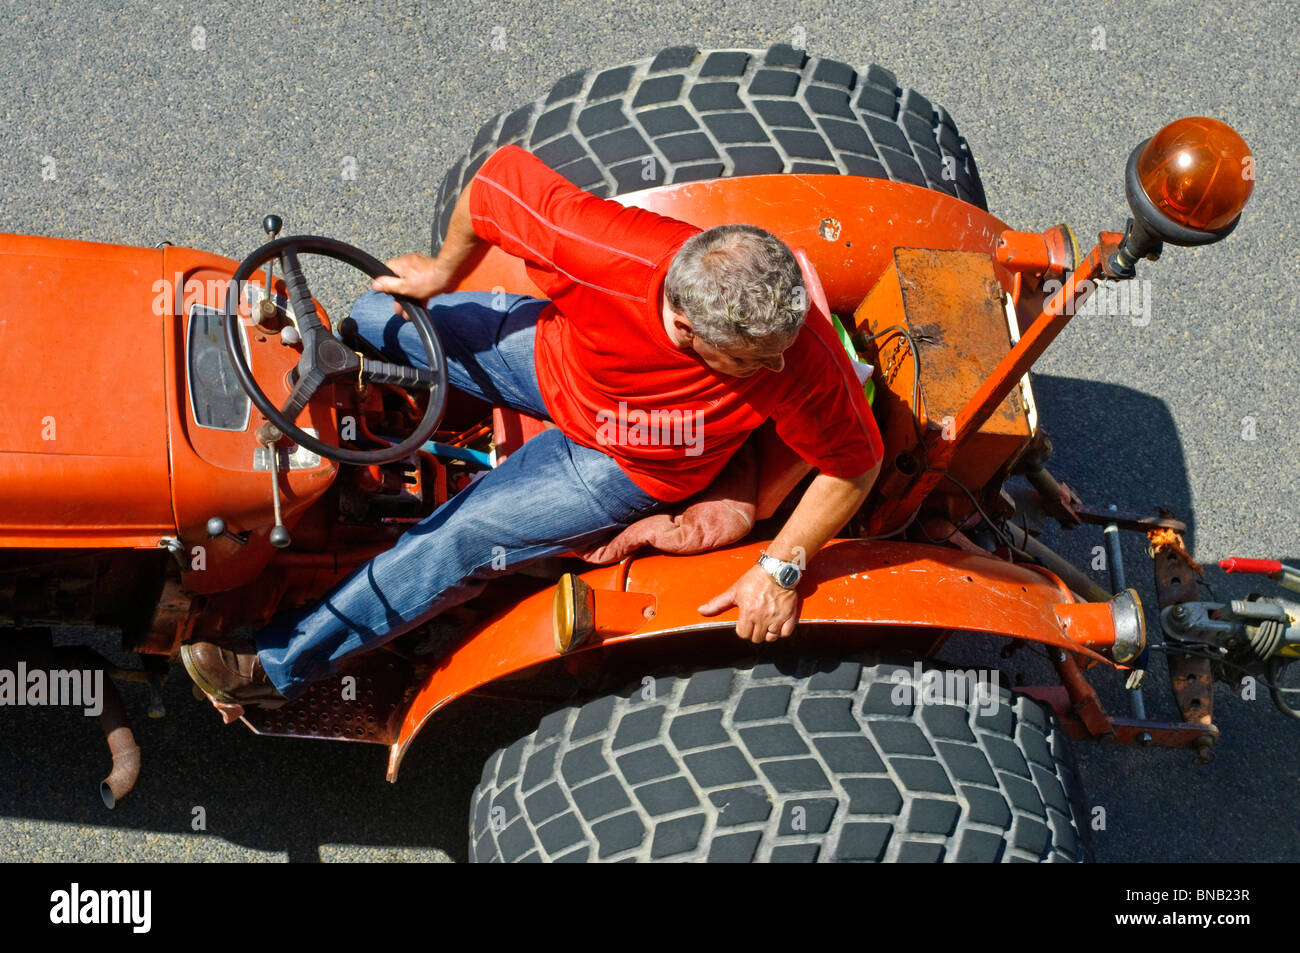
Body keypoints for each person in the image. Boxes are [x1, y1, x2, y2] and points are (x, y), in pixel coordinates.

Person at [181, 144, 883, 713]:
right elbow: (494, 183)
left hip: (633, 461)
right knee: (372, 318)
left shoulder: (797, 352)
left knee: (460, 537)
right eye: (755, 359)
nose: (779, 364)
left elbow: (855, 460)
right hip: (554, 365)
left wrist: (781, 566)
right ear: (684, 325)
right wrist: (440, 272)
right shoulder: (604, 251)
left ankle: (272, 664)